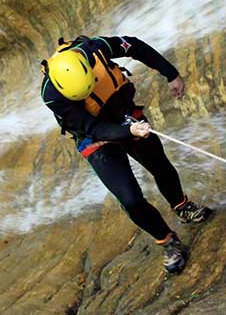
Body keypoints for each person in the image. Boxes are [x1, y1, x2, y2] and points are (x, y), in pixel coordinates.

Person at [40, 35, 213, 273]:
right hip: (95, 136)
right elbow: (92, 127)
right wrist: (128, 130)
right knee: (130, 199)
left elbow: (136, 46)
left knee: (160, 165)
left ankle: (182, 206)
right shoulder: (52, 95)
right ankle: (168, 241)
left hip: (123, 113)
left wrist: (171, 73)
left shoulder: (95, 49)